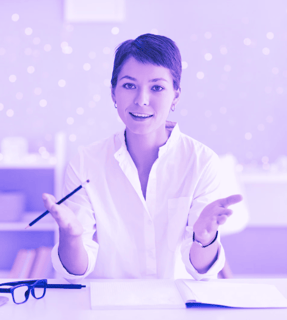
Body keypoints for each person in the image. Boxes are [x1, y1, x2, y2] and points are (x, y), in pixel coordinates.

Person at [42, 33, 242, 281]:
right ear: (113, 93)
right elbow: (76, 272)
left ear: (176, 96)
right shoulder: (85, 163)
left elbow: (200, 271)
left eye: (156, 87)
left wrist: (204, 238)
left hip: (180, 306)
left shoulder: (202, 162)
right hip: (108, 307)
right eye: (129, 86)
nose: (141, 100)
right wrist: (71, 237)